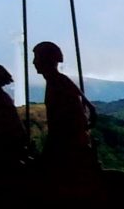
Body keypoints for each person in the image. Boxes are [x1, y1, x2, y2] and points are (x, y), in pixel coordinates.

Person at [31, 41, 94, 170]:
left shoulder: (57, 84)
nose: (33, 62)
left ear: (46, 60)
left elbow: (60, 125)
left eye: (37, 57)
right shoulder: (59, 81)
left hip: (68, 148)